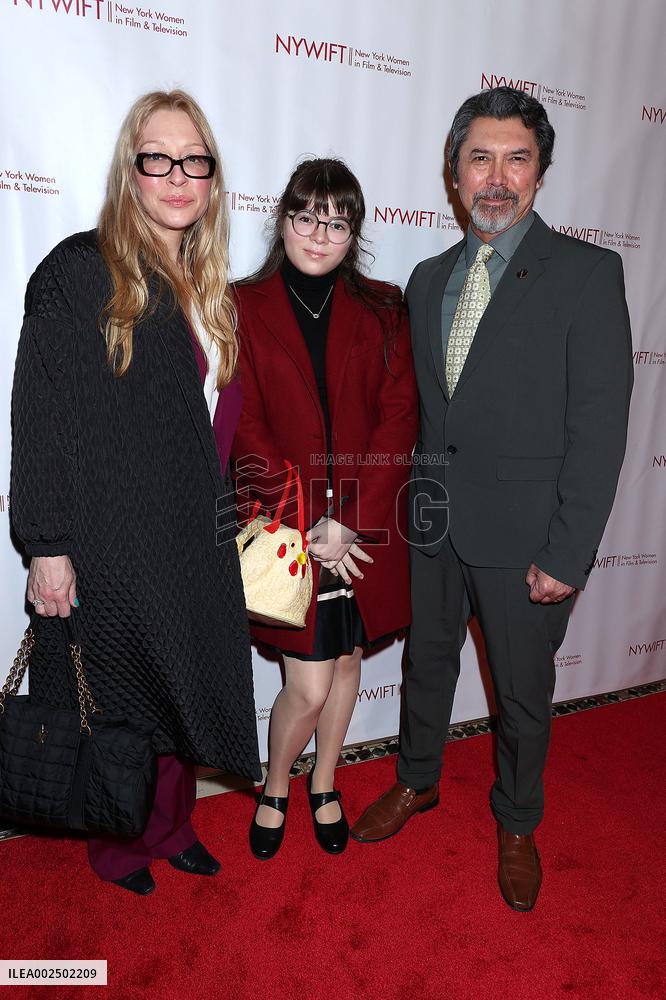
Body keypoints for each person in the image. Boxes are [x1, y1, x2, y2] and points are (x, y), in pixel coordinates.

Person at [351, 87, 633, 911]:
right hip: (435, 524)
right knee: (424, 665)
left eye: (517, 159)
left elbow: (600, 428)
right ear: (454, 171)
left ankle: (517, 820)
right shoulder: (427, 277)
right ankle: (416, 780)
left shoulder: (588, 273)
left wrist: (568, 552)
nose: (497, 178)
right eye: (481, 158)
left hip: (525, 539)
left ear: (540, 173)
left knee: (521, 694)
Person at [10, 90, 261, 895]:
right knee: (121, 698)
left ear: (213, 178)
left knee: (180, 690)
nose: (178, 176)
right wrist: (47, 545)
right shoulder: (81, 271)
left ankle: (171, 824)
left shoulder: (210, 282)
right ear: (131, 170)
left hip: (197, 537)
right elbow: (40, 415)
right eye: (159, 158)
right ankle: (119, 846)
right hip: (111, 540)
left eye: (196, 160)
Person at [231, 158, 418, 859]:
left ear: (354, 233)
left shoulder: (384, 307)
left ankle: (326, 783)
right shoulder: (241, 305)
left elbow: (399, 419)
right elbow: (241, 423)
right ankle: (277, 784)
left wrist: (353, 519)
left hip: (361, 529)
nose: (319, 233)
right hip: (288, 526)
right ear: (283, 219)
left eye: (337, 222)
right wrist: (305, 516)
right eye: (307, 215)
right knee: (305, 685)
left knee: (345, 665)